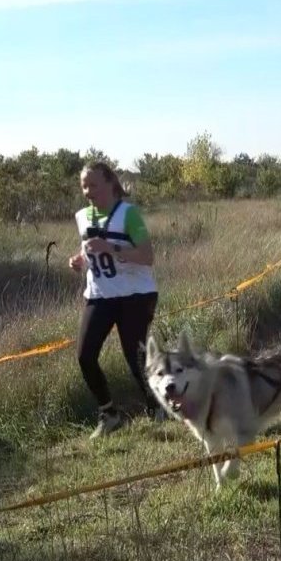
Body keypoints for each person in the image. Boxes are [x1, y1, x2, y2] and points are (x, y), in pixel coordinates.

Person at [68, 161, 162, 438]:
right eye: (84, 186)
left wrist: (112, 248)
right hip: (100, 295)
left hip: (135, 294)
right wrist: (79, 261)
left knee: (135, 358)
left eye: (93, 185)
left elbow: (147, 256)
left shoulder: (128, 214)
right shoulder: (82, 216)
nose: (88, 191)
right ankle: (109, 415)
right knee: (85, 356)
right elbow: (88, 251)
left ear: (110, 184)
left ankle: (156, 405)